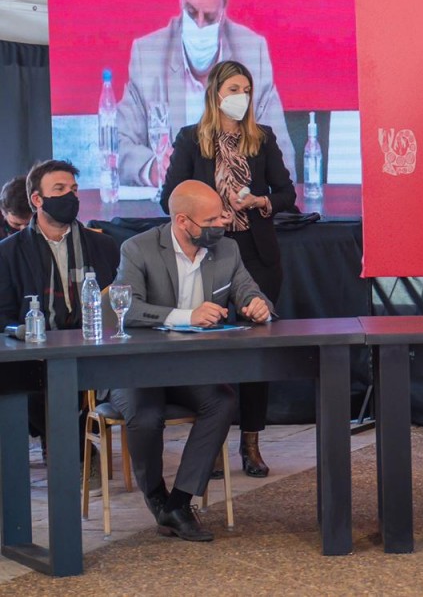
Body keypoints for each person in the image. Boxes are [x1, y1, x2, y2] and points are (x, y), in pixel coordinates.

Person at [111, 179, 273, 542]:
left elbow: (247, 289)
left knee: (222, 400)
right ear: (182, 221)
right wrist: (187, 316)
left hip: (191, 368)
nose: (221, 225)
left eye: (221, 217)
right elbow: (128, 308)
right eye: (211, 220)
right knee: (146, 415)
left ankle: (180, 502)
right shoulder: (138, 249)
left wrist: (257, 304)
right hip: (137, 367)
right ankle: (156, 496)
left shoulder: (227, 250)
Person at [160, 60, 295, 478]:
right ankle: (212, 442)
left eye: (247, 90)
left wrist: (259, 201)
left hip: (256, 255)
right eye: (234, 89)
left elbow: (287, 193)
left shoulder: (262, 138)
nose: (242, 97)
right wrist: (209, 208)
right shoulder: (191, 139)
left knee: (256, 349)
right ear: (216, 93)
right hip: (208, 253)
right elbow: (168, 198)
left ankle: (251, 443)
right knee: (211, 345)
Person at [117, 0, 295, 188]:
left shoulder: (252, 53)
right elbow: (119, 146)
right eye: (191, 12)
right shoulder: (148, 55)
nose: (199, 25)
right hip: (174, 207)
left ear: (226, 1)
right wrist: (154, 168)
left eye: (209, 16)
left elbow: (284, 159)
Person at [0, 160, 120, 471]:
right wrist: (23, 333)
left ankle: (71, 452)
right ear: (37, 199)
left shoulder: (103, 245)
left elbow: (115, 302)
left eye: (74, 189)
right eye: (60, 189)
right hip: (36, 352)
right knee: (34, 385)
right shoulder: (9, 252)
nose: (70, 196)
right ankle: (73, 453)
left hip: (93, 349)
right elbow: (4, 315)